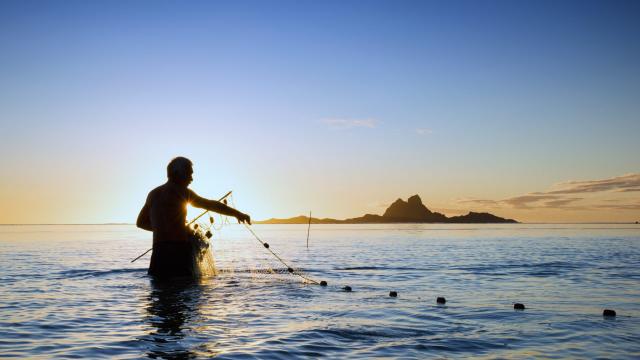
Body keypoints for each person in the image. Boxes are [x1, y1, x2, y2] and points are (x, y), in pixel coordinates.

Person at [137, 157, 251, 278]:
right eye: (189, 174)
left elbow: (140, 222)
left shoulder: (153, 194)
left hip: (159, 254)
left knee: (161, 293)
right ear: (177, 173)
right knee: (184, 290)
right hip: (179, 252)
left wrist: (164, 230)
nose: (191, 178)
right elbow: (211, 205)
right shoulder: (183, 192)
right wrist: (237, 213)